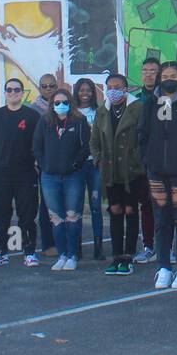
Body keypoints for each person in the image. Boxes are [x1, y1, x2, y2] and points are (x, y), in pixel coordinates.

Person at [142, 62, 177, 289]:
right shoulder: (150, 103)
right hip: (156, 172)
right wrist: (149, 160)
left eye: (174, 75)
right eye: (165, 75)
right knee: (161, 220)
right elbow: (142, 134)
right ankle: (163, 266)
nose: (169, 79)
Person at [0, 79, 42, 266]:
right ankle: (0, 252)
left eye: (17, 90)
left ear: (22, 93)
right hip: (0, 174)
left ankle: (29, 252)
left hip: (25, 173)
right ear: (5, 93)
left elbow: (39, 143)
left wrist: (37, 164)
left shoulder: (32, 116)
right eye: (9, 89)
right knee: (0, 214)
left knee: (27, 214)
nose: (13, 92)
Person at [91, 73, 146, 275]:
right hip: (110, 171)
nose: (113, 90)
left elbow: (144, 137)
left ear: (126, 89)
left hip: (132, 171)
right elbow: (94, 140)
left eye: (118, 87)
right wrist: (98, 160)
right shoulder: (102, 111)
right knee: (115, 210)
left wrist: (138, 160)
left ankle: (128, 256)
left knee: (131, 211)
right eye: (110, 87)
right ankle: (116, 256)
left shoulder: (137, 108)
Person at [33, 90, 92, 271]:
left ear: (70, 102)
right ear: (52, 104)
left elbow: (85, 147)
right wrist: (45, 165)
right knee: (56, 217)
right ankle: (62, 255)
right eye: (57, 102)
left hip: (73, 176)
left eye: (64, 101)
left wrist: (75, 165)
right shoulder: (45, 121)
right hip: (50, 177)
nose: (60, 105)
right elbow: (37, 146)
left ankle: (73, 255)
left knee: (72, 216)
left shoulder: (79, 121)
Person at [132, 56, 162, 263]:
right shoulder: (135, 100)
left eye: (153, 71)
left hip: (161, 161)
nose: (149, 74)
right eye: (145, 70)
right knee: (146, 206)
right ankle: (149, 246)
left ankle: (165, 248)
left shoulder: (165, 97)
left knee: (163, 206)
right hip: (139, 162)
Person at [73, 77, 105, 261]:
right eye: (81, 90)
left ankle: (98, 246)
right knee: (76, 206)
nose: (85, 93)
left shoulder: (99, 112)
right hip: (77, 165)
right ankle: (76, 246)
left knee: (95, 206)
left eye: (89, 90)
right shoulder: (72, 112)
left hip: (95, 164)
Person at [32, 73, 60, 256]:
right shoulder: (34, 110)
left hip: (64, 163)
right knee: (46, 204)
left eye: (51, 86)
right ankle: (48, 244)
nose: (48, 89)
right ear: (39, 88)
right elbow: (32, 140)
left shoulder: (64, 106)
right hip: (44, 164)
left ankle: (64, 243)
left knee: (63, 206)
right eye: (44, 86)